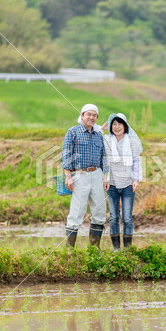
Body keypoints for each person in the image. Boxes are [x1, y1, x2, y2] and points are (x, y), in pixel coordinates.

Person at [62, 104, 109, 249]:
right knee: (77, 211)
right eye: (89, 114)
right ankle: (70, 249)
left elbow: (103, 156)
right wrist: (68, 176)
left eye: (95, 115)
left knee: (100, 211)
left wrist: (105, 177)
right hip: (79, 175)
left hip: (97, 174)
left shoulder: (98, 134)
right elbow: (66, 154)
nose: (92, 117)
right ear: (82, 115)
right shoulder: (73, 132)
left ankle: (95, 248)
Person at [101, 113, 142, 251]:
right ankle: (116, 249)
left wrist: (136, 179)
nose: (117, 127)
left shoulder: (132, 142)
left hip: (128, 184)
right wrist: (102, 128)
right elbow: (94, 136)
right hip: (111, 183)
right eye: (114, 124)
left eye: (119, 124)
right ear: (111, 127)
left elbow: (136, 161)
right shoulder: (106, 140)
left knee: (127, 218)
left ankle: (128, 249)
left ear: (125, 126)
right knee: (113, 217)